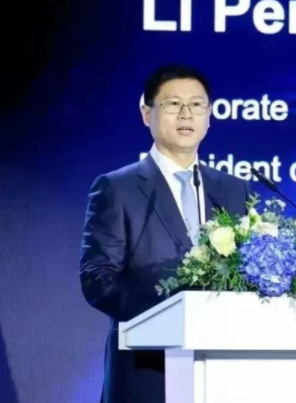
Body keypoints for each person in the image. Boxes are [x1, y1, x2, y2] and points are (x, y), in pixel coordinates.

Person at [79, 64, 251, 403]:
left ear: (209, 115)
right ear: (147, 114)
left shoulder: (234, 190)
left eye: (197, 104)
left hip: (223, 369)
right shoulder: (117, 187)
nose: (186, 114)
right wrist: (171, 317)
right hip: (145, 368)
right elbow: (97, 277)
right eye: (173, 104)